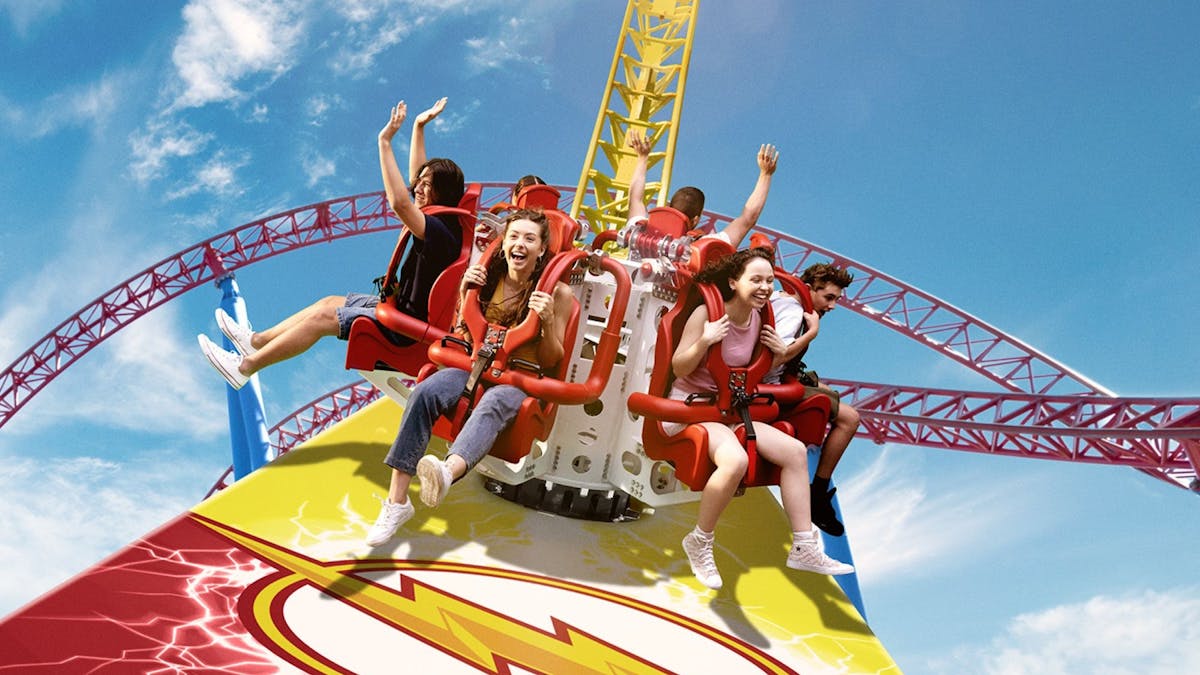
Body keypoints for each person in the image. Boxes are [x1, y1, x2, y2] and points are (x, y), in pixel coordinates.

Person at [197, 98, 465, 389]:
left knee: (324, 318)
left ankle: (245, 368)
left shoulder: (441, 232)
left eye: (428, 185)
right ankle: (255, 341)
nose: (418, 189)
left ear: (444, 192)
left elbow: (400, 202)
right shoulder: (444, 218)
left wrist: (384, 141)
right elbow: (413, 182)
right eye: (420, 182)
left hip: (405, 332)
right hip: (399, 309)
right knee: (328, 302)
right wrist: (418, 127)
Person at [365, 209, 574, 546]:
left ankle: (446, 474)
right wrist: (465, 292)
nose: (520, 244)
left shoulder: (558, 294)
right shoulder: (488, 278)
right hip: (474, 365)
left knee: (492, 404)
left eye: (529, 239)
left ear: (541, 250)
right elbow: (464, 331)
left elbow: (552, 357)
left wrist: (547, 320)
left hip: (518, 379)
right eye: (514, 237)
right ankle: (397, 503)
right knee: (425, 391)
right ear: (503, 243)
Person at [667, 248, 854, 589]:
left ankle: (804, 546)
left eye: (769, 280)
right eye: (756, 280)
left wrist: (781, 352)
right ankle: (700, 541)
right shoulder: (706, 314)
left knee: (794, 452)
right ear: (733, 282)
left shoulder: (759, 321)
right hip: (692, 409)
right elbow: (679, 366)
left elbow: (762, 369)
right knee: (735, 460)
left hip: (728, 411)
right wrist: (706, 339)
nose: (765, 287)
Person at [765, 262, 860, 537]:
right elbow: (775, 358)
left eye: (836, 300)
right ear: (808, 289)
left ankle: (818, 488)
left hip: (787, 375)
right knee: (851, 418)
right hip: (773, 383)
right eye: (828, 298)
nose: (832, 306)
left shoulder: (778, 296)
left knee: (830, 392)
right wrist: (811, 333)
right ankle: (818, 492)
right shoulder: (796, 316)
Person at [626, 132, 778, 244]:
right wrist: (766, 174)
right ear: (696, 220)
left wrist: (642, 157)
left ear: (668, 207)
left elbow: (635, 199)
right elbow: (747, 219)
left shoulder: (640, 231)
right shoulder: (704, 245)